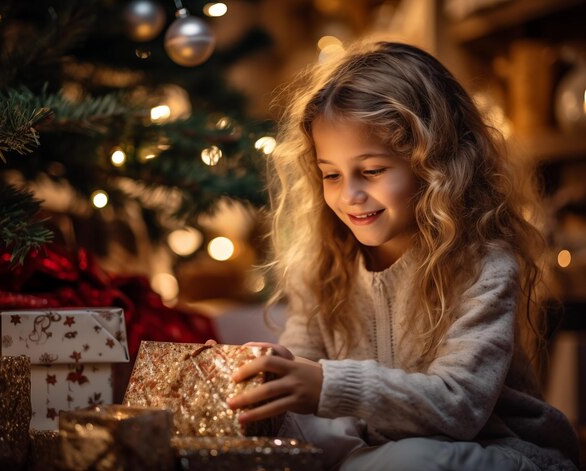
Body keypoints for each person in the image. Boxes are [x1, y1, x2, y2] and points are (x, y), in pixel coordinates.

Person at [225, 41, 581, 470]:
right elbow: (304, 384)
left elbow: (459, 407)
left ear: (434, 164)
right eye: (331, 175)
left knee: (410, 460)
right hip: (377, 452)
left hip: (498, 451)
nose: (350, 195)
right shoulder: (321, 268)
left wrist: (324, 385)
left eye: (372, 171)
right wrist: (274, 379)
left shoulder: (482, 265)